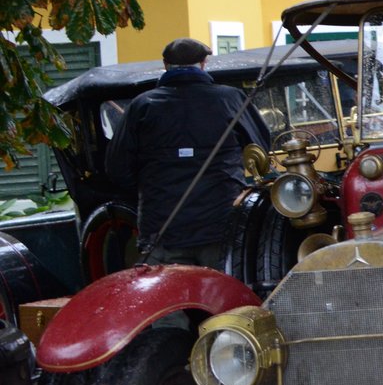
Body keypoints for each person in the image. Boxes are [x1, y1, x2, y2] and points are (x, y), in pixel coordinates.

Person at [107, 37, 272, 268]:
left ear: (165, 65)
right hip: (221, 226)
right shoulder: (230, 99)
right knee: (223, 289)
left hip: (163, 230)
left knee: (173, 290)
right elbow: (260, 148)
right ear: (203, 64)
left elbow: (118, 169)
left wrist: (154, 190)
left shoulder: (142, 105)